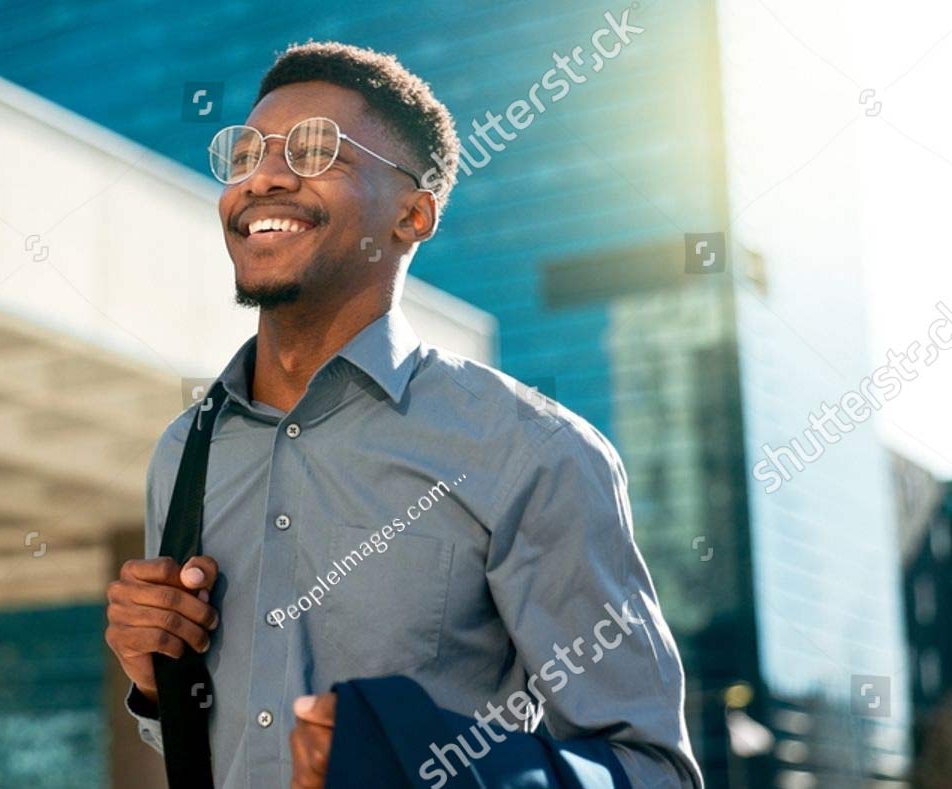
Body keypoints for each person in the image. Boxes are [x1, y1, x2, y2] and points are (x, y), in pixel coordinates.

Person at [103, 41, 702, 788]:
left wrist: (412, 760)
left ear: (413, 214)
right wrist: (156, 681)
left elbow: (649, 771)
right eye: (246, 154)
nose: (264, 177)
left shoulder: (532, 451)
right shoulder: (185, 451)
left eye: (316, 150)